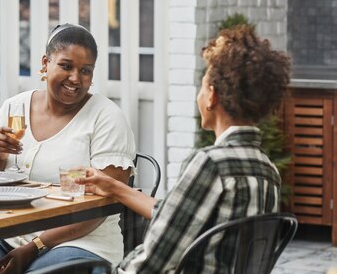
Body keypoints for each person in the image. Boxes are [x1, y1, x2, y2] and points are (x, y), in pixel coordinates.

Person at [77, 24, 291, 273]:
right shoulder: (268, 170)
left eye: (202, 86)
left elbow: (153, 259)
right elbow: (180, 216)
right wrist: (115, 188)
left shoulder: (211, 164)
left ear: (212, 96)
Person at [0, 23, 136, 274]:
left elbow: (104, 204)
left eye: (86, 70)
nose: (75, 78)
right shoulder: (14, 108)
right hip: (9, 234)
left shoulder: (106, 117)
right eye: (66, 66)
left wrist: (36, 245)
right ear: (45, 63)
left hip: (79, 241)